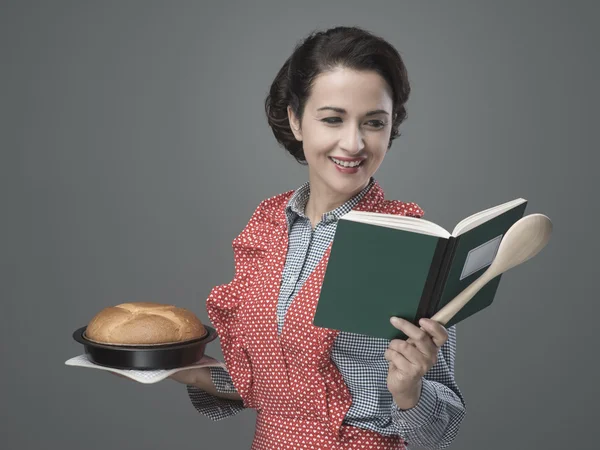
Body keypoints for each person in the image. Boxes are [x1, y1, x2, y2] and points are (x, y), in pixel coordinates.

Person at [169, 26, 466, 450]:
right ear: (295, 119)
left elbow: (442, 431)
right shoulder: (269, 227)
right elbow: (271, 390)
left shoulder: (409, 244)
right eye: (332, 119)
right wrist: (177, 368)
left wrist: (410, 393)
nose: (354, 143)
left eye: (374, 123)